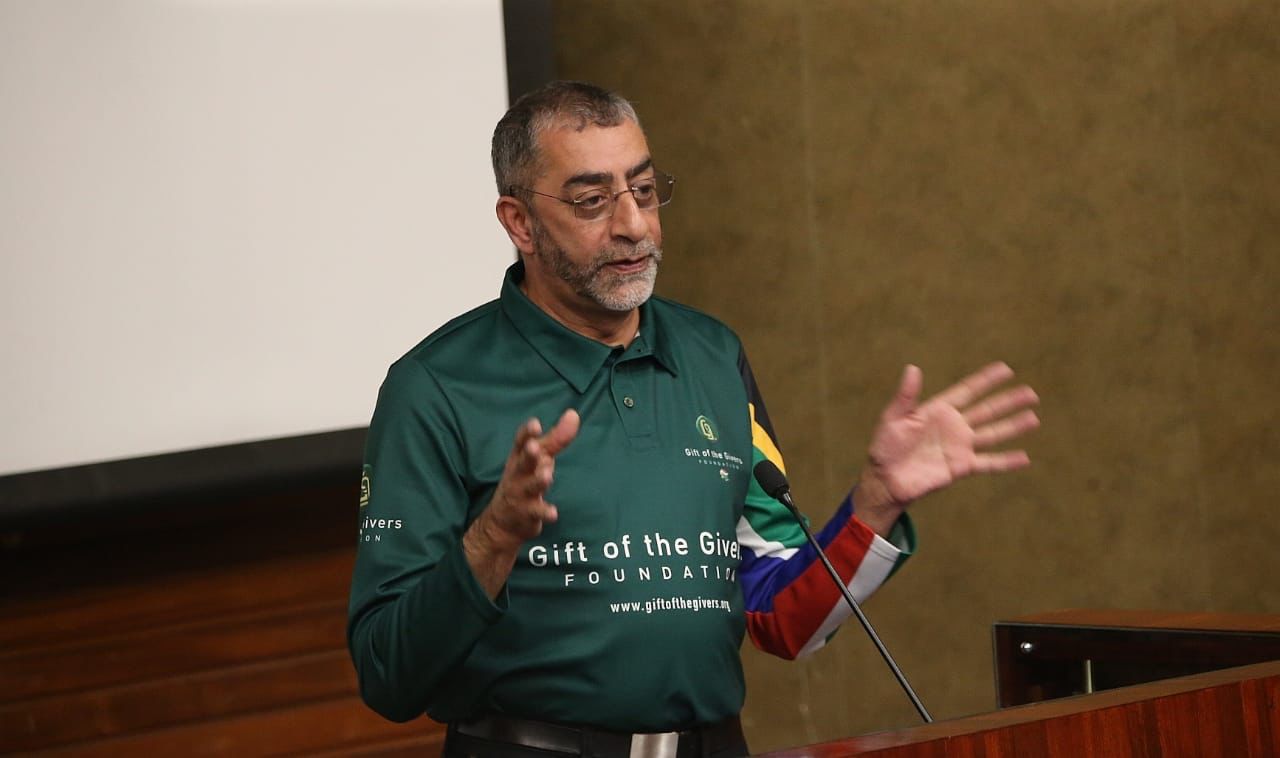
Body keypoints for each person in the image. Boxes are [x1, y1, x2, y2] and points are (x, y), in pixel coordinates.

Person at [347, 81, 1039, 758]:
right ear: (519, 222)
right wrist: (494, 539)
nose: (633, 226)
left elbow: (779, 617)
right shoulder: (435, 387)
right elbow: (389, 675)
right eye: (592, 201)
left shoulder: (712, 355)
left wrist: (876, 504)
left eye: (644, 192)